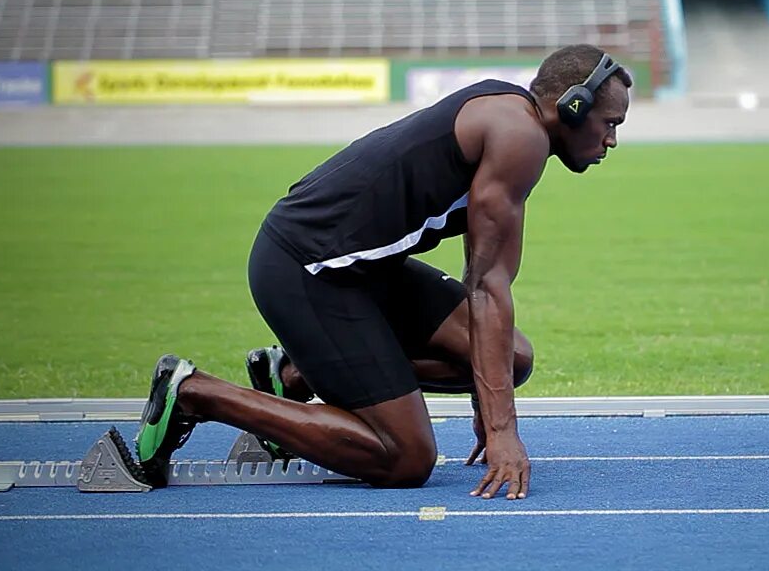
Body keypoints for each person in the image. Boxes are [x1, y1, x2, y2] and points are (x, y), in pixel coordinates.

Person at [134, 44, 632, 500]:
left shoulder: (510, 116)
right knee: (406, 459)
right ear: (573, 106)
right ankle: (196, 393)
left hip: (361, 269)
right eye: (609, 123)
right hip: (306, 267)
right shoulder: (519, 136)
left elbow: (482, 283)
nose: (611, 140)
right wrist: (501, 431)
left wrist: (490, 401)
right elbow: (487, 285)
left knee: (511, 357)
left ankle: (292, 375)